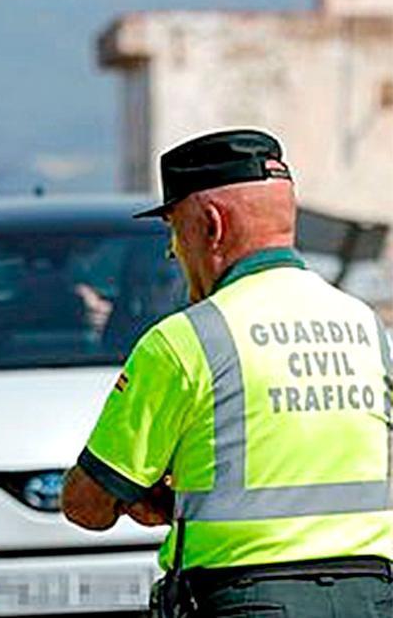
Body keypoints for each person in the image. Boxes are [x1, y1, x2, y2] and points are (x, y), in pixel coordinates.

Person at [60, 129, 392, 617]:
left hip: (245, 601)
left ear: (211, 225)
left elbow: (87, 505)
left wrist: (154, 497)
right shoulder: (370, 329)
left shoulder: (185, 341)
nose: (174, 251)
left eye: (175, 229)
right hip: (373, 599)